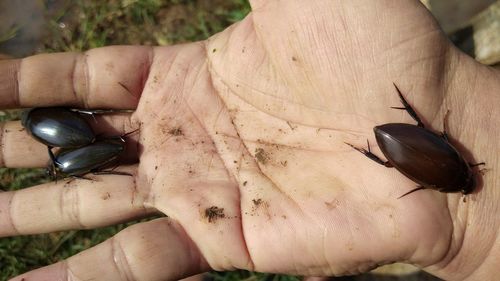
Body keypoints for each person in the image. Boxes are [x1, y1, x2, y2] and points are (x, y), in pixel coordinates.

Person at [0, 0, 498, 280]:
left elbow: (437, 146)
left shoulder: (452, 164)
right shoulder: (445, 175)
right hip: (403, 149)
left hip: (407, 144)